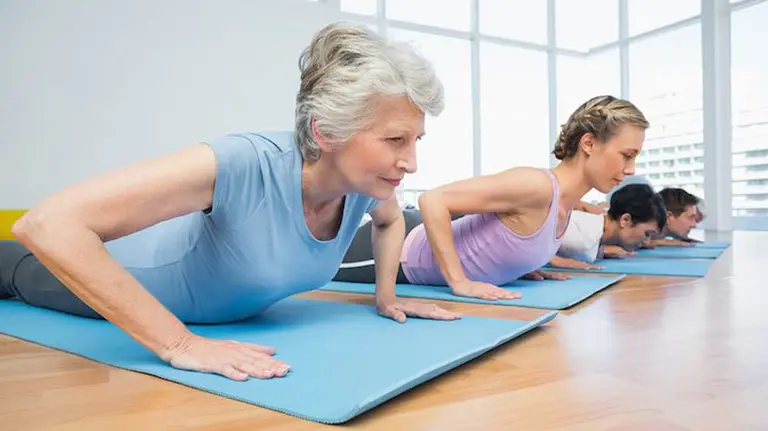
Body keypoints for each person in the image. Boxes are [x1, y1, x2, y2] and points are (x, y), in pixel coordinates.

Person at [0, 22, 461, 382]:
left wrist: (386, 297)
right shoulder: (244, 161)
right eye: (396, 139)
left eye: (416, 139)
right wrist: (180, 345)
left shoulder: (365, 188)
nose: (412, 162)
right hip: (72, 275)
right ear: (327, 132)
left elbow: (388, 222)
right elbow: (46, 226)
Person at [334, 95, 650, 301]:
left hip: (417, 242)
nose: (631, 168)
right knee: (315, 273)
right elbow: (433, 201)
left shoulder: (564, 205)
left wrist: (520, 264)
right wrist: (459, 282)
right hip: (400, 252)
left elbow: (504, 237)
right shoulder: (536, 185)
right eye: (627, 155)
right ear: (590, 143)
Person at [548, 183, 667, 269]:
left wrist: (601, 251)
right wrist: (551, 259)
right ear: (625, 220)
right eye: (647, 234)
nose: (647, 241)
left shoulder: (594, 233)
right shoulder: (583, 238)